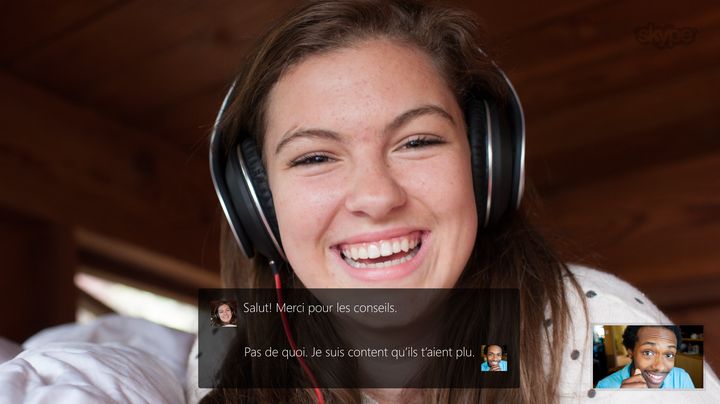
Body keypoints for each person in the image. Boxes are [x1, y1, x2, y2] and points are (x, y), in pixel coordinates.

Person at [196, 0, 720, 403]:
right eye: (315, 157)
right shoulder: (224, 340)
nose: (376, 197)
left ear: (486, 165)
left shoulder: (613, 323)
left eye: (417, 142)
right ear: (255, 202)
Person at [596, 326, 694, 389]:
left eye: (669, 355)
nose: (660, 367)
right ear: (631, 352)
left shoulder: (682, 378)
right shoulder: (605, 386)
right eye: (648, 353)